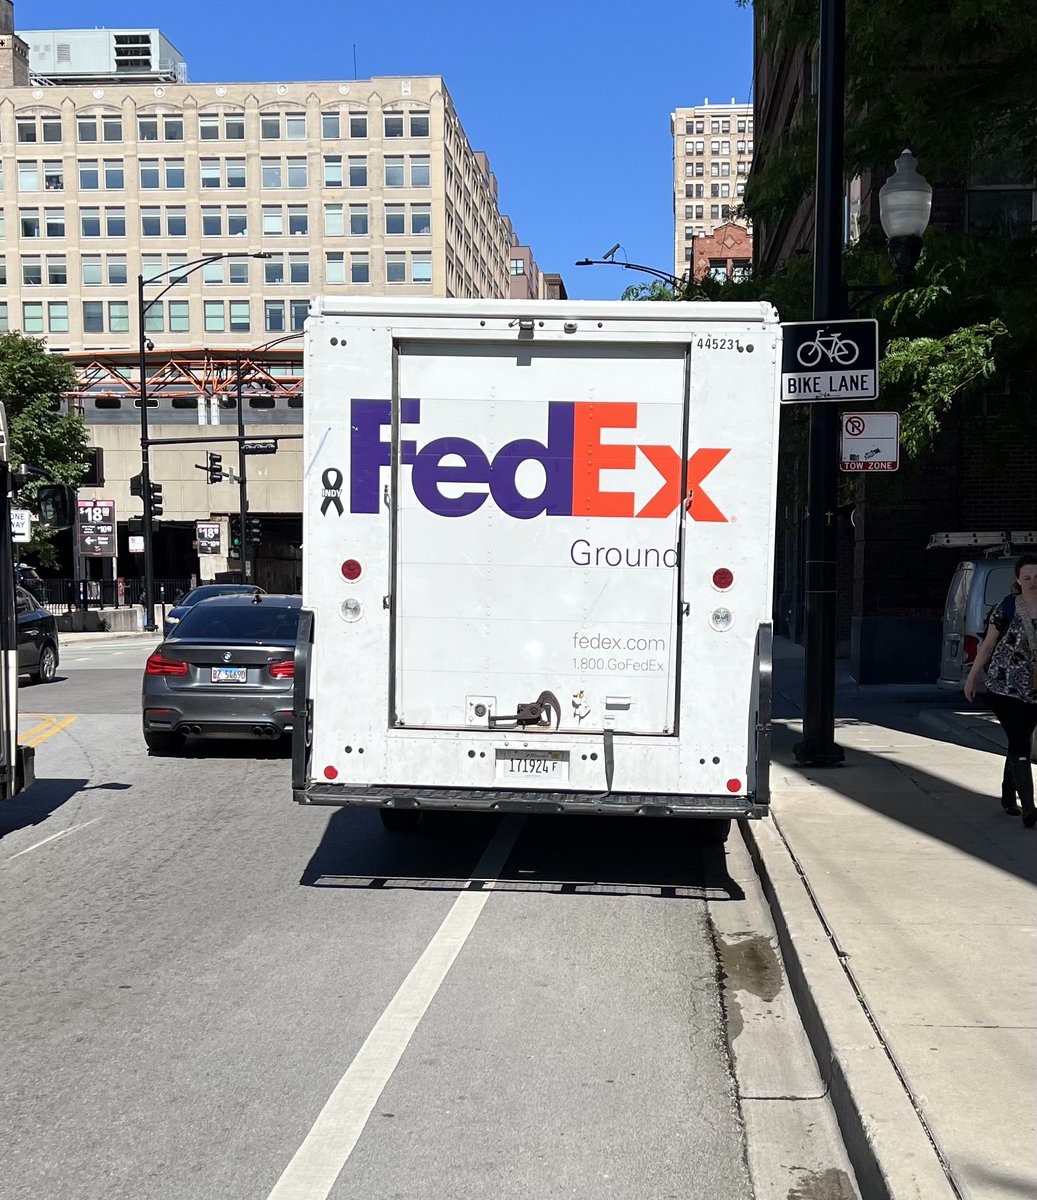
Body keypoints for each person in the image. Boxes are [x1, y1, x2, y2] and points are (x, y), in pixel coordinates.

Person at [964, 552, 1037, 828]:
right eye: (1027, 577)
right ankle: (1029, 806)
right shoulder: (1005, 607)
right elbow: (987, 646)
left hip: (1034, 688)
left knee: (1021, 739)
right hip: (1004, 686)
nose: (1032, 582)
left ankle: (1008, 795)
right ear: (1018, 579)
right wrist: (972, 679)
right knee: (1019, 739)